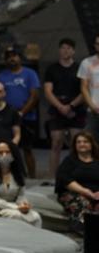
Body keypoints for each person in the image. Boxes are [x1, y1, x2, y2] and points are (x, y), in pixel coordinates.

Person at [0, 46, 40, 178]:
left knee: (27, 148)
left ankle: (32, 177)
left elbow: (35, 95)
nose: (12, 59)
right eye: (9, 57)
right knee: (7, 148)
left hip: (27, 116)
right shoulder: (1, 76)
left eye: (14, 56)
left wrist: (22, 112)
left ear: (20, 58)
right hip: (7, 117)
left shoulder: (30, 73)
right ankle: (9, 175)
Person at [45, 38, 85, 179]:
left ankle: (75, 176)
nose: (65, 50)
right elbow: (48, 91)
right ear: (59, 50)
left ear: (73, 51)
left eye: (68, 48)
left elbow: (84, 90)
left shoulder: (80, 68)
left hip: (76, 107)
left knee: (77, 142)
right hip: (57, 107)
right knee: (56, 142)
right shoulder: (52, 69)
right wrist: (60, 106)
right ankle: (52, 177)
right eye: (63, 48)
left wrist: (71, 106)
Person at [0, 142, 41, 227]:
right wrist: (16, 208)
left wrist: (24, 205)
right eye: (0, 153)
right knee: (18, 216)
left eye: (7, 152)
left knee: (36, 217)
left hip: (13, 207)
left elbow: (21, 195)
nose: (4, 155)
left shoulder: (18, 172)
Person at [55, 131, 99, 234]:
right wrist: (85, 191)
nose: (81, 144)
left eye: (85, 141)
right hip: (74, 193)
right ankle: (83, 231)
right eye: (78, 142)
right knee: (84, 203)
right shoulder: (70, 160)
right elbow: (64, 179)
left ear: (92, 144)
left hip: (96, 193)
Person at [78, 32, 99, 140]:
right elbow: (84, 87)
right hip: (94, 110)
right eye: (98, 44)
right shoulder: (86, 62)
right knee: (90, 142)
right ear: (95, 46)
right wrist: (92, 106)